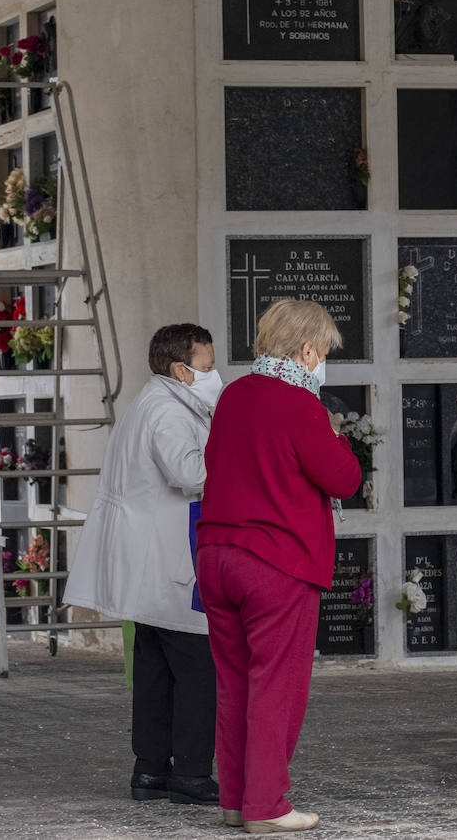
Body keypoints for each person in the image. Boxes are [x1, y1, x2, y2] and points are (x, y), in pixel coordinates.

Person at [197, 300, 361, 834]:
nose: (324, 363)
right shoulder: (299, 403)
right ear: (307, 350)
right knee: (276, 685)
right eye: (324, 353)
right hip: (276, 561)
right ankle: (266, 807)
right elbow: (344, 479)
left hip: (218, 554)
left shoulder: (235, 394)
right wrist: (337, 432)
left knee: (235, 681)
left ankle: (235, 799)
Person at [63, 323, 224, 807]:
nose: (215, 374)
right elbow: (191, 473)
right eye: (208, 366)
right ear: (181, 368)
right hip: (166, 561)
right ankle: (192, 774)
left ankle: (151, 769)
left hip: (151, 559)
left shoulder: (155, 401)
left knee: (155, 669)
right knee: (198, 668)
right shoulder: (167, 412)